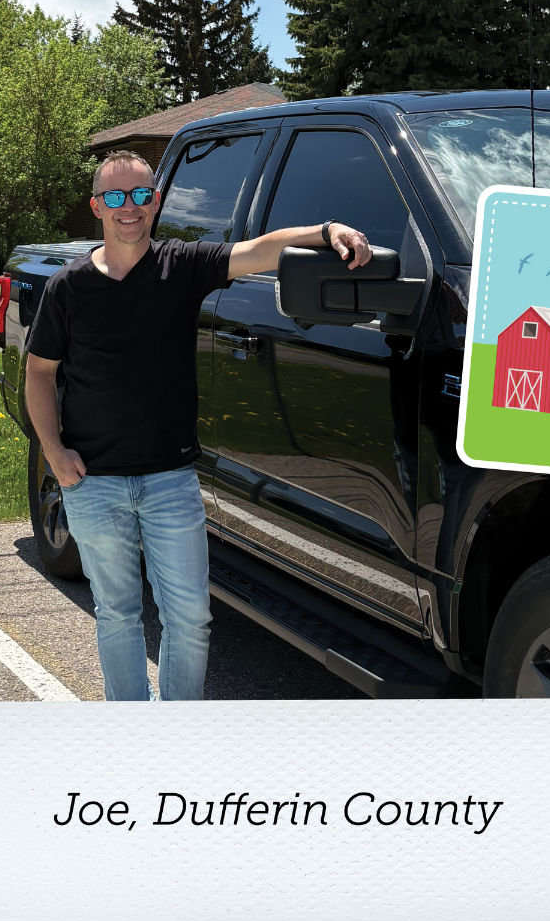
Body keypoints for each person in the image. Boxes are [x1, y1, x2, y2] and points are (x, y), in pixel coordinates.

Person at [25, 149, 371, 701]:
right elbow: (39, 373)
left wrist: (326, 230)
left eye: (141, 194)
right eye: (115, 197)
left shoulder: (180, 265)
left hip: (170, 481)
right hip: (93, 482)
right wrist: (54, 452)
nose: (129, 208)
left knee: (189, 618)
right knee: (116, 614)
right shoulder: (68, 287)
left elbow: (259, 249)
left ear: (156, 201)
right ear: (97, 207)